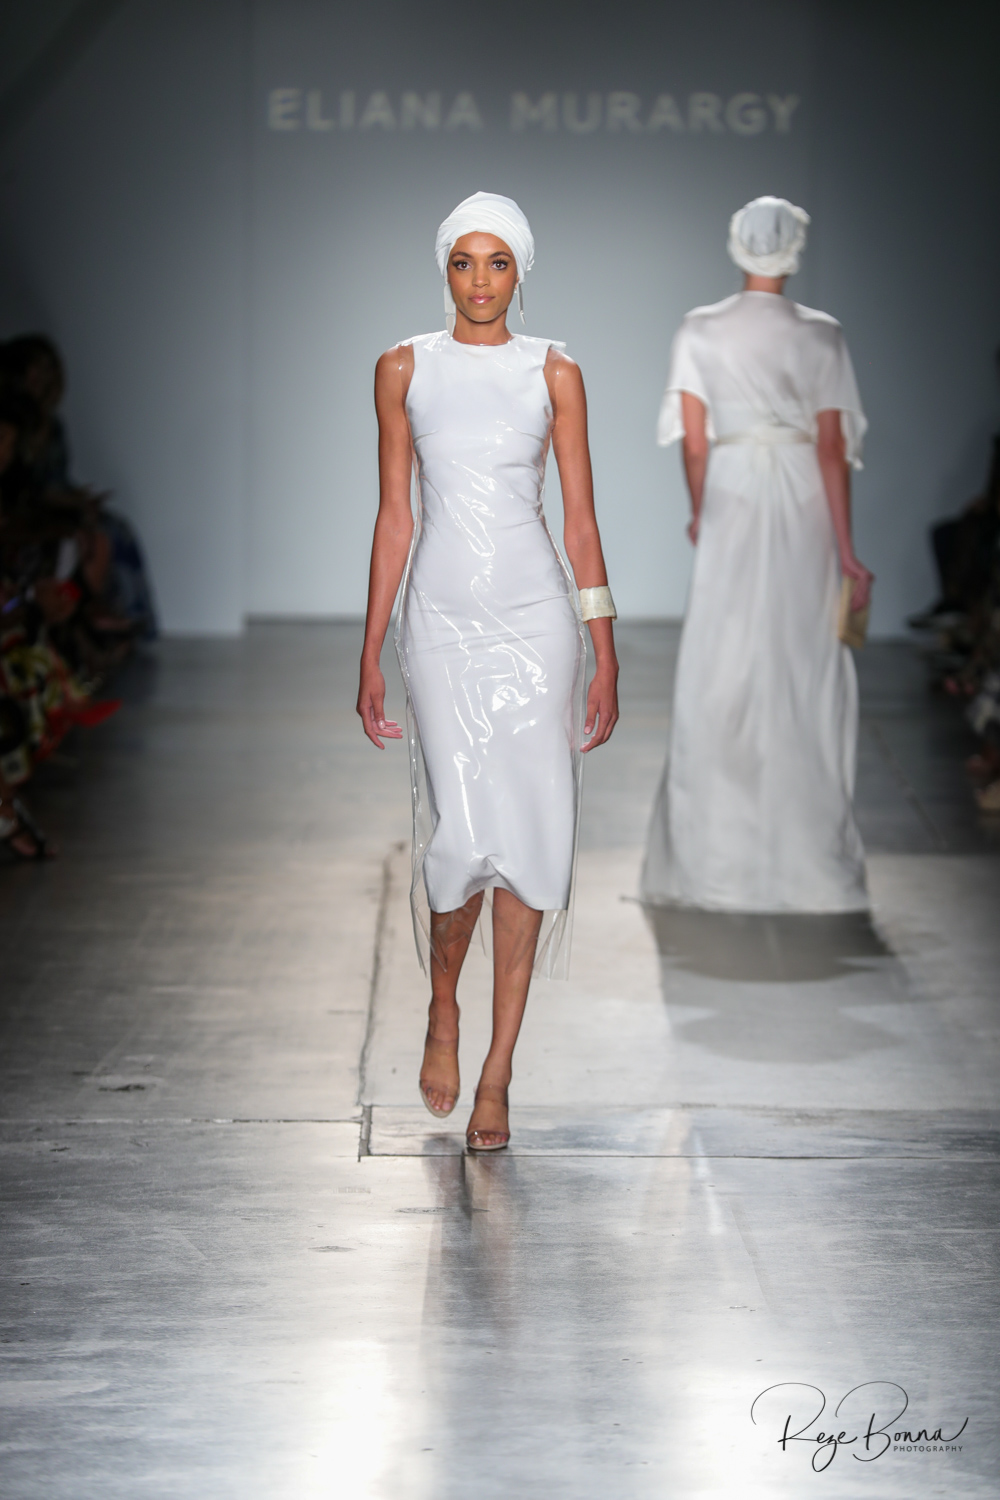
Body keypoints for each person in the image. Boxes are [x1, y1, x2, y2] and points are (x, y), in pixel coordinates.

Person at [357, 191, 619, 1150]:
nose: (479, 280)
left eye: (497, 262)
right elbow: (395, 515)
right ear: (444, 267)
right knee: (462, 835)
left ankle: (499, 1070)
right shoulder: (403, 367)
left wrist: (605, 648)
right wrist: (370, 646)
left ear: (520, 271)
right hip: (440, 623)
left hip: (537, 623)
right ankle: (443, 1007)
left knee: (532, 841)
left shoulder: (555, 372)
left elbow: (580, 521)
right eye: (464, 261)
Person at [642, 196, 873, 913]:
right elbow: (831, 449)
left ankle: (714, 864)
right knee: (799, 661)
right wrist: (847, 550)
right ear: (793, 247)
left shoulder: (700, 328)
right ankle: (808, 865)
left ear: (737, 244)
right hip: (803, 496)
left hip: (733, 492)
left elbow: (695, 441)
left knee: (723, 661)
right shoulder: (822, 334)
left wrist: (700, 509)